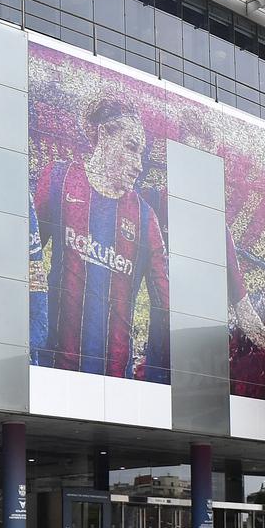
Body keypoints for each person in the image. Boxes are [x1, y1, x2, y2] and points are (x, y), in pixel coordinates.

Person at [32, 97, 170, 381]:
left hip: (116, 379)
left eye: (141, 154)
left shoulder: (146, 217)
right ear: (104, 135)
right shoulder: (59, 178)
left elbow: (165, 299)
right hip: (53, 368)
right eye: (131, 148)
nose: (137, 164)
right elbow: (26, 256)